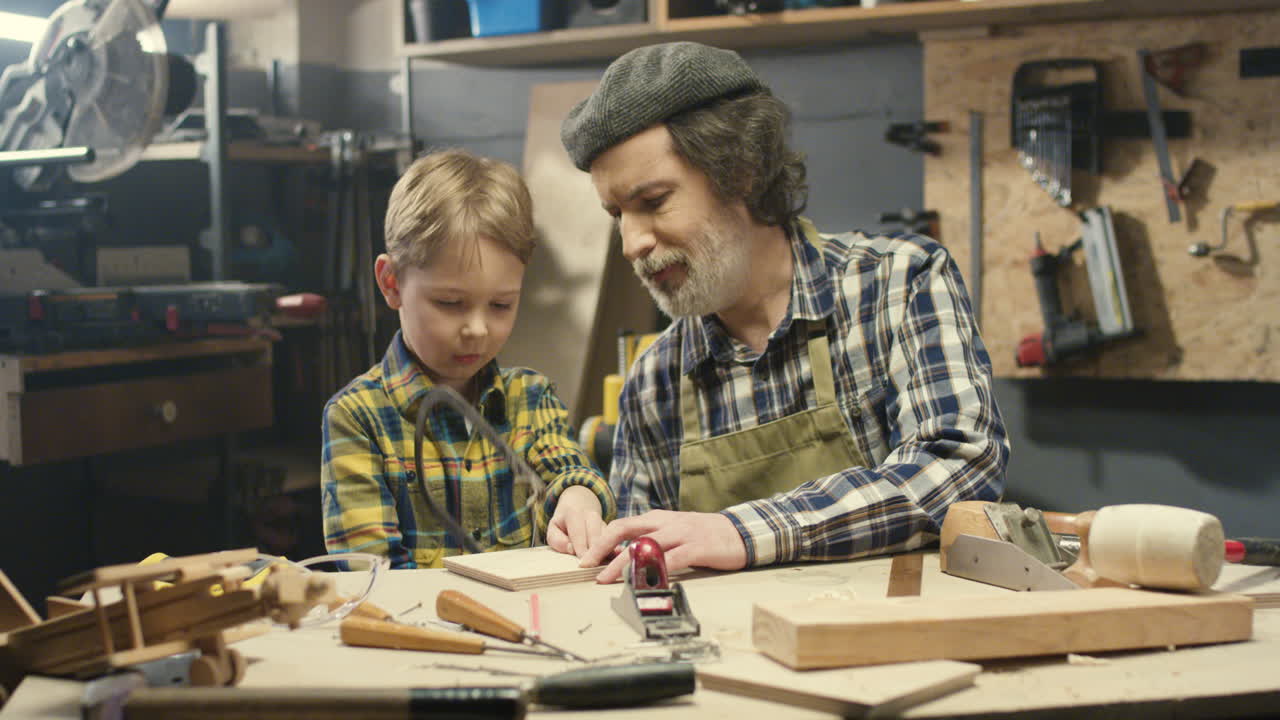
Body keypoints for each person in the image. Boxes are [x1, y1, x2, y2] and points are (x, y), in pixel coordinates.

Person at [560, 42, 1009, 583]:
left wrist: (743, 532)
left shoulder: (898, 283)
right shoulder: (654, 381)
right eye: (618, 215)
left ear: (742, 171)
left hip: (904, 649)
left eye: (653, 202)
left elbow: (960, 468)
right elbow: (644, 573)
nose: (632, 243)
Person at [322, 148, 615, 569]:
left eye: (500, 305)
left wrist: (579, 498)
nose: (477, 328)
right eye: (450, 302)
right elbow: (371, 574)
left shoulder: (531, 398)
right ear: (391, 284)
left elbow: (570, 470)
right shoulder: (358, 419)